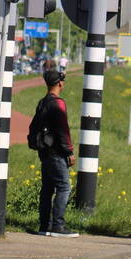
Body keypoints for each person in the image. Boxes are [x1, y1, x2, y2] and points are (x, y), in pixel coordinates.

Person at [32, 68, 78, 237]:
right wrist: (69, 152)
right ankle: (58, 225)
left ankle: (44, 226)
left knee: (47, 188)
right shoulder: (58, 103)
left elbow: (33, 126)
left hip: (44, 152)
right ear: (60, 83)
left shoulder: (42, 102)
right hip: (57, 152)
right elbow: (63, 130)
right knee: (64, 187)